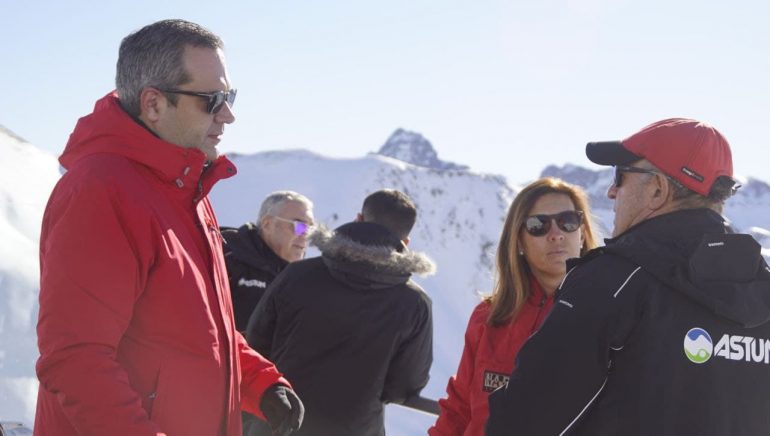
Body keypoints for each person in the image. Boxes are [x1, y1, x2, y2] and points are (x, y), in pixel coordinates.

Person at [34, 19, 303, 436]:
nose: (228, 114)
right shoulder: (100, 192)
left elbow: (197, 326)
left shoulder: (186, 188)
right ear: (154, 104)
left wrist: (259, 382)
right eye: (211, 99)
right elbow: (75, 357)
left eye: (229, 95)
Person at [487, 118, 770, 435]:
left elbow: (527, 418)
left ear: (657, 190)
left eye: (620, 176)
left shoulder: (613, 281)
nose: (610, 191)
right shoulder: (762, 288)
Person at [246, 189, 435, 436]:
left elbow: (256, 344)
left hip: (279, 423)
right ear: (405, 243)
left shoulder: (297, 275)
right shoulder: (414, 303)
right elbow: (403, 386)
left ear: (358, 219)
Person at [429, 178, 599, 436]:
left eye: (568, 221)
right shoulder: (488, 316)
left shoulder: (605, 315)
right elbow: (460, 407)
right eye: (538, 225)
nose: (556, 234)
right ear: (518, 241)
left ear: (582, 233)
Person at [221, 190, 315, 332]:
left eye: (310, 229)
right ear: (267, 224)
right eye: (299, 226)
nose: (305, 235)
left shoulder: (305, 280)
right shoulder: (225, 255)